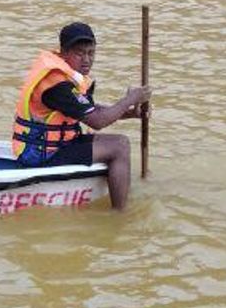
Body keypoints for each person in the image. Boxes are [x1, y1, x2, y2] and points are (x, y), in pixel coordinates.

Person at [12, 21, 150, 210]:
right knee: (120, 147)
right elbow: (97, 121)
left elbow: (90, 111)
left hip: (54, 144)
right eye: (79, 53)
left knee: (119, 142)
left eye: (91, 53)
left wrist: (130, 113)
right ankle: (120, 214)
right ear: (63, 53)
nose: (86, 59)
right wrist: (129, 99)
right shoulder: (57, 84)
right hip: (43, 154)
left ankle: (118, 193)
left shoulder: (67, 76)